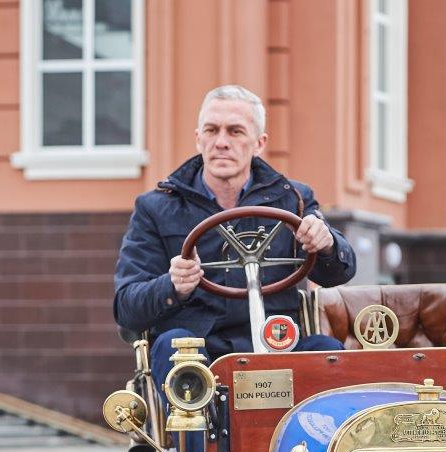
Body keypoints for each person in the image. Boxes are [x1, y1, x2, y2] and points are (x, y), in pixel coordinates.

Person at [113, 84, 354, 402]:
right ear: (198, 138)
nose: (221, 142)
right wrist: (172, 286)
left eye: (236, 131)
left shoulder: (293, 199)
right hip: (198, 345)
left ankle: (316, 449)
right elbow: (127, 308)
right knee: (175, 351)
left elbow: (339, 273)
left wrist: (326, 243)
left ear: (259, 143)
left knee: (330, 354)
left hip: (278, 339)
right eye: (212, 130)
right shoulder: (156, 207)